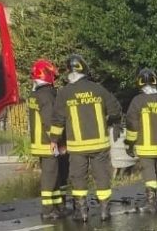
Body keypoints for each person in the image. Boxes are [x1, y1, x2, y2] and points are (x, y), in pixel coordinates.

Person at [49, 54, 123, 222]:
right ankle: (105, 211)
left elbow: (58, 120)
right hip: (100, 145)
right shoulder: (98, 89)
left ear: (69, 72)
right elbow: (115, 110)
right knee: (102, 176)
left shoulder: (65, 93)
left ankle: (81, 212)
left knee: (78, 177)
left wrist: (54, 140)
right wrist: (110, 123)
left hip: (77, 147)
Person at [125, 68, 157, 213]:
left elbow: (131, 125)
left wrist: (129, 144)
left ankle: (151, 203)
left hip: (145, 147)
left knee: (149, 173)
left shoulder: (137, 101)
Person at [27, 59, 65, 220]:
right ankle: (48, 210)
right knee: (50, 176)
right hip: (48, 143)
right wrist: (56, 141)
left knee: (52, 174)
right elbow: (50, 121)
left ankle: (57, 206)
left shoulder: (34, 95)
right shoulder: (47, 96)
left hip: (39, 142)